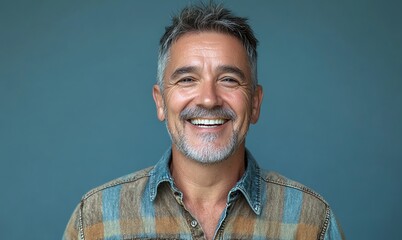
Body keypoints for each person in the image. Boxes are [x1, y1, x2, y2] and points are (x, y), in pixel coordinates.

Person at [63, 2, 345, 240]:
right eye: (187, 80)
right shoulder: (95, 220)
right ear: (160, 101)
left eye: (229, 80)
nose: (209, 99)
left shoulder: (311, 222)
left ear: (255, 103)